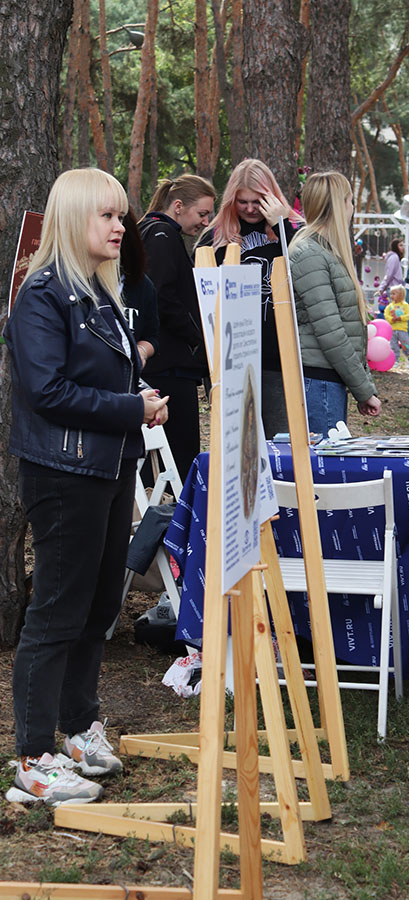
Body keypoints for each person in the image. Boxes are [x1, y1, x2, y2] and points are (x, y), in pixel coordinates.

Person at [3, 168, 169, 805]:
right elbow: (46, 391)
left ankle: (76, 728)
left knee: (99, 607)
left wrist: (139, 400)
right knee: (57, 612)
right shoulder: (43, 294)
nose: (121, 226)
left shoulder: (98, 291)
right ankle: (32, 757)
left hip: (109, 466)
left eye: (121, 215)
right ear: (75, 218)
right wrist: (131, 408)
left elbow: (102, 377)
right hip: (64, 473)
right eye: (107, 215)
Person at [196, 158, 301, 438]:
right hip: (231, 358)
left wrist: (282, 225)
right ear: (232, 200)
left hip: (279, 357)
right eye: (243, 202)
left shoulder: (292, 230)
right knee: (238, 441)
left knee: (281, 440)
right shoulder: (215, 237)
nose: (251, 209)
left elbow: (304, 270)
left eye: (258, 201)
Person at [288, 171, 381, 435]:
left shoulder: (324, 251)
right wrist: (364, 389)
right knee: (324, 461)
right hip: (319, 382)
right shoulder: (310, 254)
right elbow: (331, 332)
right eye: (350, 201)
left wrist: (362, 385)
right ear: (339, 205)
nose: (352, 208)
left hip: (327, 380)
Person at [139, 174, 216, 481]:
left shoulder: (155, 232)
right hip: (169, 367)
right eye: (202, 213)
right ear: (179, 206)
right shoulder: (162, 235)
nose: (205, 222)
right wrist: (197, 335)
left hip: (165, 363)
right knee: (180, 459)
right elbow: (162, 296)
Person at [120, 210, 159, 369]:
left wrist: (141, 351)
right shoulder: (71, 285)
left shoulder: (142, 285)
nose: (117, 228)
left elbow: (151, 336)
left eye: (120, 219)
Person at [384, 284, 409, 370]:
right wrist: (391, 319)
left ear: (401, 295)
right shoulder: (389, 306)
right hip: (392, 330)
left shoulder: (405, 305)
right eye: (391, 294)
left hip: (402, 330)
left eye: (394, 294)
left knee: (406, 345)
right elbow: (386, 315)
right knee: (393, 346)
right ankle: (395, 361)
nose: (391, 296)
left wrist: (400, 318)